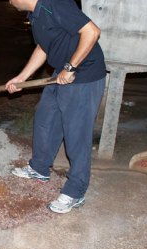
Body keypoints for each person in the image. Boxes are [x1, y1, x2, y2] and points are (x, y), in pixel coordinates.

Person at [6, 0, 106, 214]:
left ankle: (76, 191)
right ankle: (39, 168)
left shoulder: (55, 3)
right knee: (46, 119)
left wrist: (70, 67)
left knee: (76, 135)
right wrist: (22, 77)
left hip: (83, 75)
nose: (10, 2)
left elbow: (92, 32)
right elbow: (44, 46)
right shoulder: (36, 14)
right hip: (59, 74)